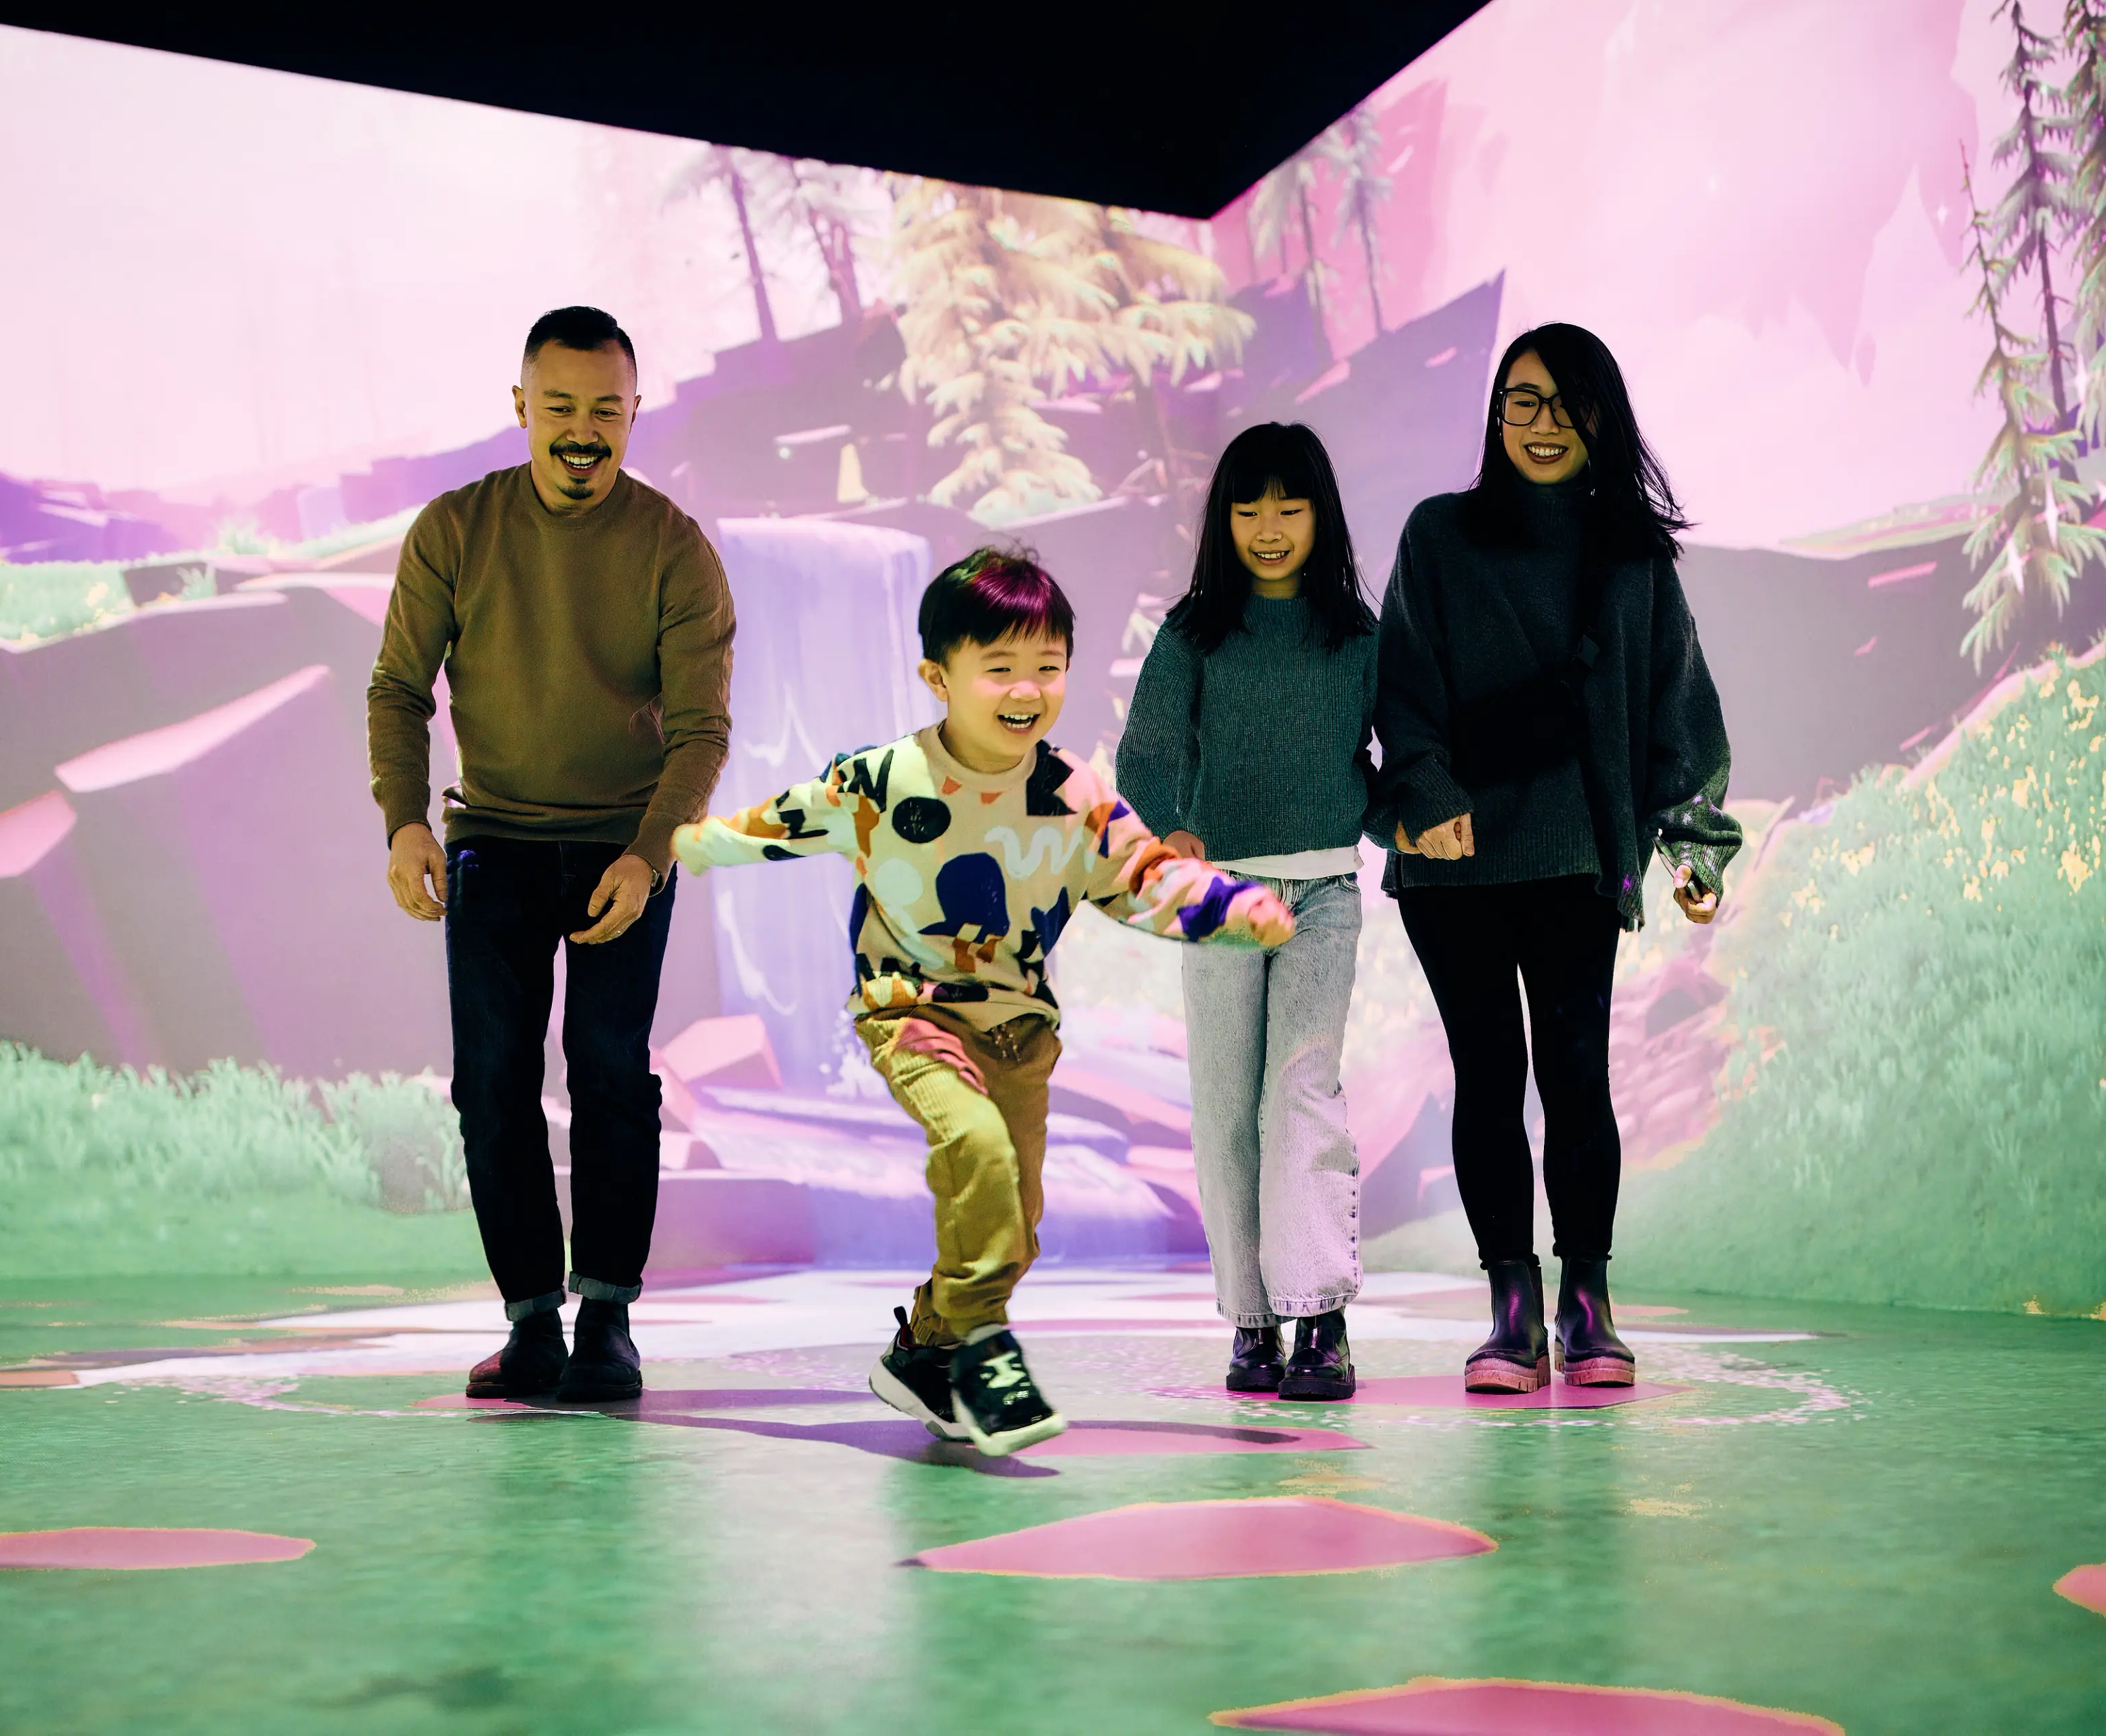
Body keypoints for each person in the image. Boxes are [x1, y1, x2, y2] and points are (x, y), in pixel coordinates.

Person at [673, 550, 1293, 1455]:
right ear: (939, 677)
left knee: (1013, 1220)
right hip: (913, 1013)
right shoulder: (884, 781)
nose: (1026, 689)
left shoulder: (1074, 796)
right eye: (999, 667)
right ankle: (984, 1352)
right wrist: (697, 844)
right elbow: (785, 820)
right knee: (977, 1150)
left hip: (1020, 1033)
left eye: (1047, 667)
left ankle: (927, 1347)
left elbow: (1146, 879)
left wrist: (1234, 908)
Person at [368, 305, 736, 1406]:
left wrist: (648, 854)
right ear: (521, 407)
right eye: (561, 407)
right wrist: (404, 822)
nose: (584, 431)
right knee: (491, 1082)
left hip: (627, 845)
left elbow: (700, 730)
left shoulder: (674, 548)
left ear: (633, 414)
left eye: (607, 411)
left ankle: (609, 1320)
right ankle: (531, 1323)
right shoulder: (454, 529)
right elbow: (398, 688)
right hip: (495, 842)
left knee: (612, 1072)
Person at [1375, 322, 1739, 1395]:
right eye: (1521, 401)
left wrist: (1696, 844)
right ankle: (1510, 1309)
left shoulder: (1634, 560)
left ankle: (1589, 1305)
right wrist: (1428, 796)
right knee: (1489, 1077)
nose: (1542, 424)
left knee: (1578, 1080)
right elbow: (1403, 688)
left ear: (1603, 419)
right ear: (1495, 415)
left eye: (1566, 403)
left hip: (1578, 857)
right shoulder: (1439, 535)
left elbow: (1680, 712)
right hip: (1454, 867)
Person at [1117, 422, 1389, 1402]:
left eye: (1290, 505)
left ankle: (1319, 1315)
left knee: (1301, 1092)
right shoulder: (1194, 633)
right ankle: (1253, 1323)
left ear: (1322, 513)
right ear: (1222, 520)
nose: (1269, 528)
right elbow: (1144, 755)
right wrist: (1172, 832)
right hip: (1222, 900)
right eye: (1248, 508)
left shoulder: (1358, 638)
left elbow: (1391, 766)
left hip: (1323, 897)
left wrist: (1425, 823)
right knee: (1228, 1109)